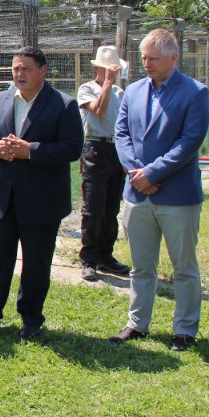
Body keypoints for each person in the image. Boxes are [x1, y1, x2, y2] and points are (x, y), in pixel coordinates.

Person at [0, 46, 83, 341]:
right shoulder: (0, 100)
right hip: (3, 199)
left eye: (26, 68)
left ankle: (31, 319)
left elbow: (72, 148)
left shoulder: (63, 104)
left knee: (36, 264)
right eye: (16, 68)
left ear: (43, 71)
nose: (19, 74)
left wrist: (30, 151)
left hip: (42, 201)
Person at [110, 29, 209, 352]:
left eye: (153, 58)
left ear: (173, 58)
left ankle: (185, 329)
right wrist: (136, 173)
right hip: (137, 194)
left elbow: (189, 142)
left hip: (177, 196)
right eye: (143, 58)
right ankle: (137, 323)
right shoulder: (133, 91)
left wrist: (151, 173)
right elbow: (121, 134)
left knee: (184, 268)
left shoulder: (195, 92)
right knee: (141, 267)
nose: (146, 63)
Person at [77, 45, 130, 282]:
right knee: (93, 208)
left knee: (111, 208)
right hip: (96, 149)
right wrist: (107, 83)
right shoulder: (87, 89)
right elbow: (98, 111)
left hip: (117, 149)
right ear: (98, 68)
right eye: (108, 69)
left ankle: (105, 256)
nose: (112, 73)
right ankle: (89, 259)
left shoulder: (120, 92)